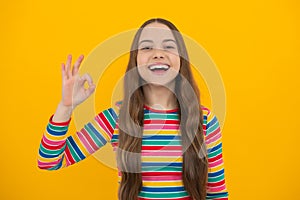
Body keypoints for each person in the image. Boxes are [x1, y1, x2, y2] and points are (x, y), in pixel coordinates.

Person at [38, 18, 229, 200]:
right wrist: (65, 106)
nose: (158, 53)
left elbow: (217, 194)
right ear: (135, 60)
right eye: (147, 47)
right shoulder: (116, 119)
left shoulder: (205, 121)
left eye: (169, 46)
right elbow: (49, 161)